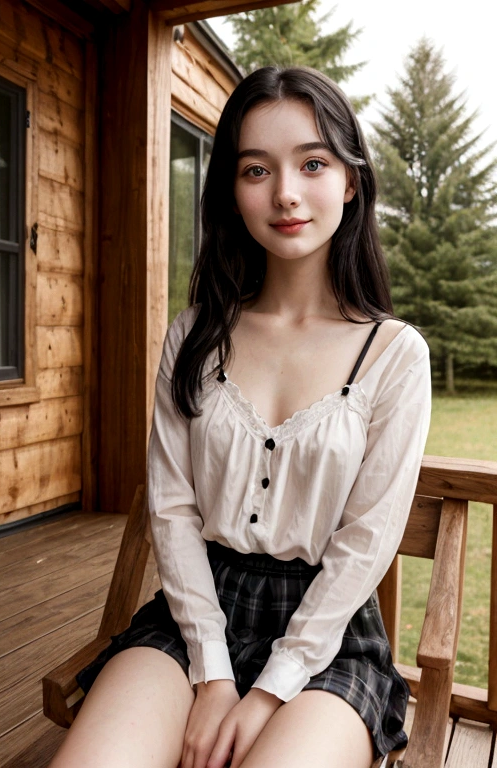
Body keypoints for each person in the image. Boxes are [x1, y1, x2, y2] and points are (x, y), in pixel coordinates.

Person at [49, 66, 431, 768]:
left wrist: (268, 691)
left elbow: (363, 549)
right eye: (256, 169)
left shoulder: (394, 356)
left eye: (312, 163)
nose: (284, 193)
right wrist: (214, 673)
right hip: (195, 616)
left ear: (350, 180)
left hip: (330, 636)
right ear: (232, 187)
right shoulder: (195, 335)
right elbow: (171, 509)